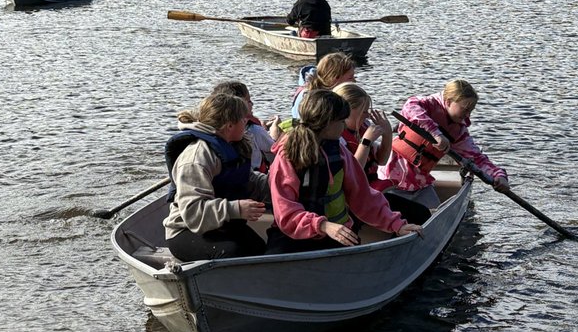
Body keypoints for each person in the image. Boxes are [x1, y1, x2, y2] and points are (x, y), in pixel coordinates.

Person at [266, 89, 421, 254]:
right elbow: (285, 210)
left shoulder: (339, 151)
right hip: (293, 235)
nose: (344, 125)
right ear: (326, 123)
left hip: (335, 232)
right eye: (341, 121)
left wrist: (397, 225)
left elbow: (363, 196)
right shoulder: (287, 155)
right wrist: (323, 225)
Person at [163, 91, 271, 261]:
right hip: (186, 231)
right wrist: (236, 209)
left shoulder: (233, 146)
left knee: (261, 249)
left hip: (222, 225)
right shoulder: (196, 158)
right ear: (229, 126)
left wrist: (276, 183)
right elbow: (193, 213)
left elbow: (248, 181)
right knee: (236, 253)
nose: (246, 122)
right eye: (243, 119)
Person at [379, 79, 509, 215]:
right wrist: (435, 133)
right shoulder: (427, 104)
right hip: (391, 179)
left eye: (471, 111)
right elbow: (409, 106)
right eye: (465, 109)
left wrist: (498, 175)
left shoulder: (459, 131)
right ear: (448, 102)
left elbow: (477, 158)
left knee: (436, 217)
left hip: (419, 184)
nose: (468, 115)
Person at [333, 82, 392, 187]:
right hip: (354, 193)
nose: (368, 116)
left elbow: (382, 160)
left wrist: (387, 134)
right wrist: (365, 142)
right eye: (363, 112)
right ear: (347, 110)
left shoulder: (363, 127)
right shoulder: (336, 137)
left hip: (370, 186)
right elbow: (353, 173)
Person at [211, 80, 276, 173]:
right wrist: (276, 133)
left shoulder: (213, 132)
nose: (252, 104)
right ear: (239, 105)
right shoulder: (254, 131)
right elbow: (275, 152)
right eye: (249, 101)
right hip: (256, 181)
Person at [281, 51, 357, 122]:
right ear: (334, 77)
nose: (354, 81)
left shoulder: (327, 93)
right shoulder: (310, 99)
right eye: (350, 78)